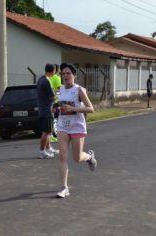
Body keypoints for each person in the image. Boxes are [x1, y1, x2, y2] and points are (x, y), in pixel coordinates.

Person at [55, 63, 97, 198]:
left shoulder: (79, 90)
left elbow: (91, 109)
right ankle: (64, 187)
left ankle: (90, 157)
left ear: (74, 76)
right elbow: (57, 104)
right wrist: (54, 108)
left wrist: (73, 109)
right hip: (62, 126)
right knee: (62, 155)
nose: (65, 76)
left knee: (77, 158)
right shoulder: (59, 89)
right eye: (63, 73)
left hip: (77, 126)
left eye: (68, 73)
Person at [36, 63, 59, 159]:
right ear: (53, 71)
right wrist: (59, 95)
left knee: (47, 131)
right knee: (46, 132)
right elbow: (52, 95)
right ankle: (42, 151)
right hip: (47, 109)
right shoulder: (47, 81)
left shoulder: (40, 79)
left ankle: (49, 148)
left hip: (42, 108)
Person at [49, 64, 62, 143]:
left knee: (52, 119)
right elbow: (59, 90)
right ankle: (54, 134)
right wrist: (58, 98)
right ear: (56, 70)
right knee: (56, 118)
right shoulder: (57, 78)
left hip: (48, 101)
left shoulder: (48, 78)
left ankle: (51, 134)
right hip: (55, 100)